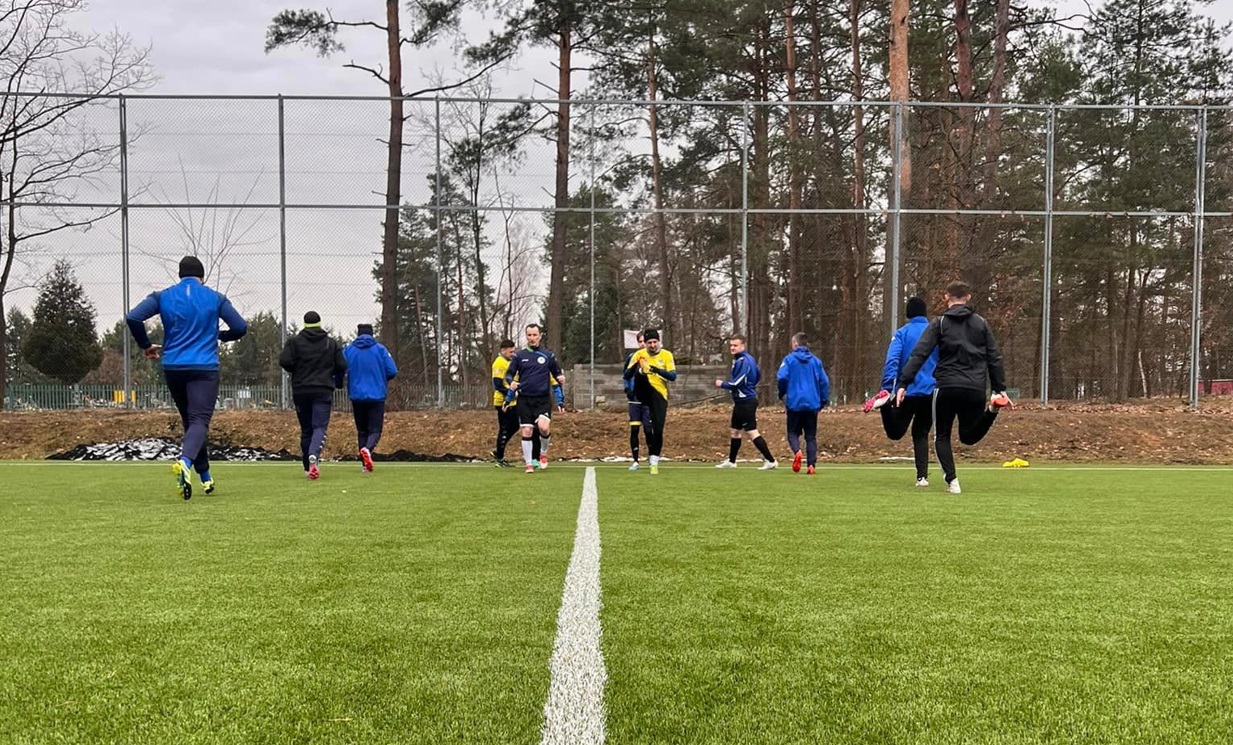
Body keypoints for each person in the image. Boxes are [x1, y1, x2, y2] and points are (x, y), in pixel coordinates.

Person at [125, 255, 247, 499]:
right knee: (199, 420)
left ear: (180, 275)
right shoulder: (215, 297)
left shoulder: (163, 296)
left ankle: (205, 477)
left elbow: (133, 317)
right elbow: (240, 327)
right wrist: (220, 336)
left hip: (173, 367)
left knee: (192, 423)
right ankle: (185, 462)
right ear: (202, 276)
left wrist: (146, 345)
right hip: (204, 367)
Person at [897, 281, 1014, 494]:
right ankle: (992, 409)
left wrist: (904, 382)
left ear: (946, 298)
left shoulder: (939, 323)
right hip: (975, 388)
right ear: (968, 297)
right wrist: (999, 387)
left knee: (941, 435)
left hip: (947, 388)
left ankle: (953, 482)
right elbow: (994, 357)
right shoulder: (981, 323)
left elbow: (920, 353)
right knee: (968, 436)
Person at [875, 297, 938, 487]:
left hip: (907, 391)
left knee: (895, 432)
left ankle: (885, 406)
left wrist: (887, 388)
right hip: (930, 391)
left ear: (908, 313)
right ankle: (922, 477)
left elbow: (892, 360)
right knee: (921, 432)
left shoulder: (902, 333)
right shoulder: (936, 333)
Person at [280, 311, 347, 480]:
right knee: (319, 427)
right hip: (323, 389)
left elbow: (285, 361)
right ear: (319, 323)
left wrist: (297, 371)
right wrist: (333, 377)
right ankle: (314, 455)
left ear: (304, 323)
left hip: (301, 389)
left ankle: (307, 466)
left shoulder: (294, 342)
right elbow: (342, 365)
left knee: (306, 430)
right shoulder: (330, 343)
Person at [504, 324, 566, 474]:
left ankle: (543, 453)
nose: (532, 338)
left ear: (540, 336)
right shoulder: (519, 356)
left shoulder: (548, 356)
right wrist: (510, 384)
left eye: (534, 335)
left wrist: (560, 379)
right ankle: (528, 464)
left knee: (544, 428)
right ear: (526, 336)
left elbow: (557, 374)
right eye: (529, 335)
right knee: (527, 430)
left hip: (542, 400)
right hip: (524, 400)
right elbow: (509, 374)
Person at [714, 335, 778, 470]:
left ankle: (770, 460)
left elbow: (737, 382)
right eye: (731, 345)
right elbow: (758, 375)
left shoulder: (744, 361)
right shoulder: (743, 360)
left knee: (751, 431)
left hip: (746, 401)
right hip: (740, 401)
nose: (732, 348)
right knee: (735, 431)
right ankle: (731, 461)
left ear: (742, 346)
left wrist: (723, 384)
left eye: (735, 345)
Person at [343, 323, 397, 472]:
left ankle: (364, 465)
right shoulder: (380, 350)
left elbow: (340, 368)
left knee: (361, 431)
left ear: (358, 334)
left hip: (357, 396)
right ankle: (368, 449)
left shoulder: (349, 350)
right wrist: (381, 378)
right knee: (375, 430)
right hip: (376, 395)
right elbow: (392, 370)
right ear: (372, 334)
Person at [776, 332, 830, 476]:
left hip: (794, 403)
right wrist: (823, 401)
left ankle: (797, 452)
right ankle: (811, 465)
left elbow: (781, 377)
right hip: (812, 404)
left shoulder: (789, 360)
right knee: (811, 436)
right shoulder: (816, 361)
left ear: (795, 343)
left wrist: (781, 393)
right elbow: (824, 382)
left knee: (792, 433)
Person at [626, 328, 677, 475]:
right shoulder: (639, 354)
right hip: (643, 392)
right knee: (640, 373)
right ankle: (643, 372)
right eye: (649, 342)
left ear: (659, 342)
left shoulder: (667, 355)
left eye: (655, 342)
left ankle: (654, 461)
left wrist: (656, 370)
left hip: (659, 395)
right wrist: (639, 368)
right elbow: (627, 374)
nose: (652, 345)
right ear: (645, 344)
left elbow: (673, 376)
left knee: (657, 429)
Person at [621, 332, 653, 471]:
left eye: (644, 341)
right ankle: (635, 461)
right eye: (640, 341)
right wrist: (627, 389)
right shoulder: (632, 358)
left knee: (648, 430)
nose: (642, 344)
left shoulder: (654, 358)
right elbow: (625, 375)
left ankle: (652, 459)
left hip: (648, 400)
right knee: (634, 430)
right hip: (634, 401)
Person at [491, 339, 520, 467]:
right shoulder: (499, 363)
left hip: (511, 402)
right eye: (510, 352)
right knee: (504, 428)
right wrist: (510, 393)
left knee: (514, 426)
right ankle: (499, 457)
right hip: (502, 401)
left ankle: (498, 451)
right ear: (503, 351)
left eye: (514, 351)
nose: (512, 354)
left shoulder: (509, 362)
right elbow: (497, 384)